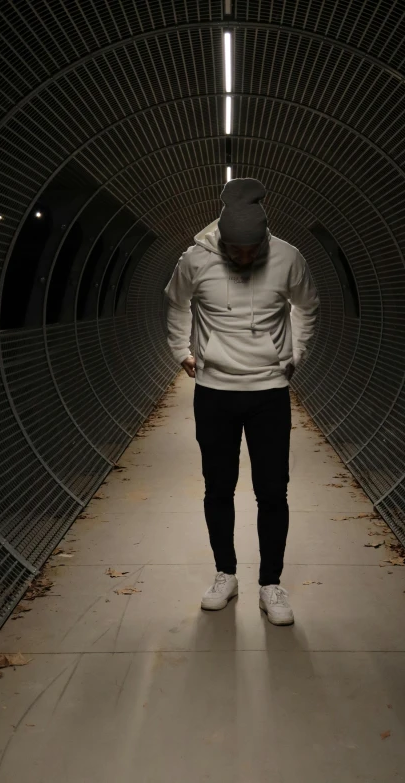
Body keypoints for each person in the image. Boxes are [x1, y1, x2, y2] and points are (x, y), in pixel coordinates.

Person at [164, 178, 319, 625]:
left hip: (269, 391)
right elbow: (175, 304)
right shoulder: (194, 260)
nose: (245, 259)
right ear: (223, 239)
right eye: (236, 251)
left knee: (273, 491)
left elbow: (308, 306)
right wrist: (181, 351)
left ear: (265, 241)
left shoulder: (289, 258)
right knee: (218, 488)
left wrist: (296, 353)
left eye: (253, 251)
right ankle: (225, 574)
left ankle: (271, 584)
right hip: (214, 392)